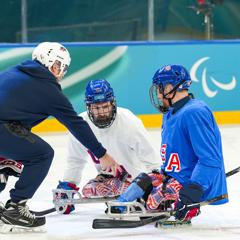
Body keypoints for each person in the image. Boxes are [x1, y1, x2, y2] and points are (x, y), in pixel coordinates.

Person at [0, 42, 118, 232]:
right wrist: (102, 154)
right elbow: (76, 124)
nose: (62, 73)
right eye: (62, 67)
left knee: (10, 159)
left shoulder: (15, 72)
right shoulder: (47, 88)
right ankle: (15, 208)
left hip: (4, 127)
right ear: (54, 65)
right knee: (42, 154)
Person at [112, 64, 228, 222]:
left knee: (155, 199)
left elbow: (210, 159)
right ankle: (123, 205)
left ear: (169, 87)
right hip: (174, 177)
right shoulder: (170, 114)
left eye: (159, 89)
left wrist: (193, 191)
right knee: (141, 183)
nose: (158, 95)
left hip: (191, 182)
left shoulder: (195, 112)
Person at [57, 79, 161, 214]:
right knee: (90, 189)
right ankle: (119, 191)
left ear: (113, 103)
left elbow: (152, 160)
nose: (101, 113)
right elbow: (75, 160)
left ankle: (132, 192)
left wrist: (157, 189)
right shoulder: (81, 126)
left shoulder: (129, 122)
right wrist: (68, 186)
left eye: (105, 106)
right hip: (108, 179)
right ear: (88, 106)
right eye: (96, 108)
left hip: (136, 180)